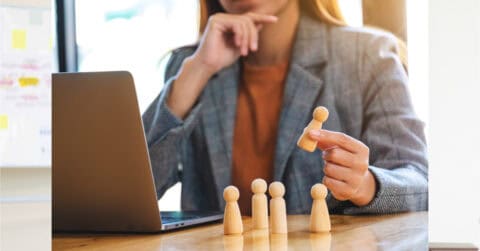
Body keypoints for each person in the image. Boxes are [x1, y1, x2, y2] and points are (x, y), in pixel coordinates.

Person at [142, 0, 428, 215]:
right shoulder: (190, 67)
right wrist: (198, 70)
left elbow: (421, 184)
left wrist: (366, 185)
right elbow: (134, 192)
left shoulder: (369, 55)